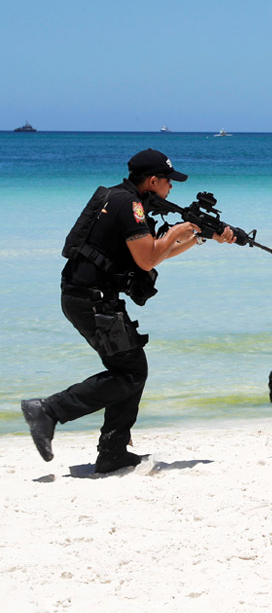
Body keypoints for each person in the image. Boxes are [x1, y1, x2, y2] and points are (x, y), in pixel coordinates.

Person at [20, 149, 236, 474]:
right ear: (153, 180)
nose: (171, 189)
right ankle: (49, 410)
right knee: (131, 372)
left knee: (131, 366)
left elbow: (151, 255)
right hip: (91, 299)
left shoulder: (124, 199)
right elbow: (149, 259)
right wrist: (179, 230)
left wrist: (198, 237)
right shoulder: (129, 206)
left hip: (88, 296)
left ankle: (113, 452)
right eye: (168, 182)